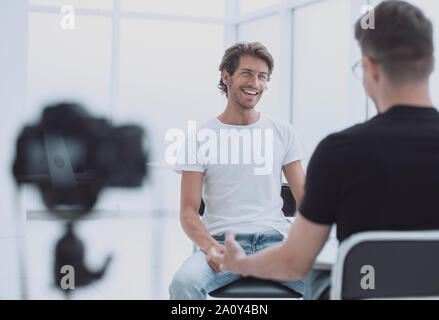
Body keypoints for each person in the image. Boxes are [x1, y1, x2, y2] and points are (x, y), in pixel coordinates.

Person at [212, 0, 438, 300]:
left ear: (370, 68)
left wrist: (240, 262)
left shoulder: (340, 152)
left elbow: (293, 262)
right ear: (431, 64)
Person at [169, 42, 307, 299]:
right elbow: (188, 212)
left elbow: (307, 202)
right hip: (221, 243)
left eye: (262, 76)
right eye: (247, 73)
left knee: (335, 280)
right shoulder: (199, 138)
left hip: (276, 244)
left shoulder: (283, 132)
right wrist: (211, 248)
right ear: (226, 76)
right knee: (183, 284)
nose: (255, 82)